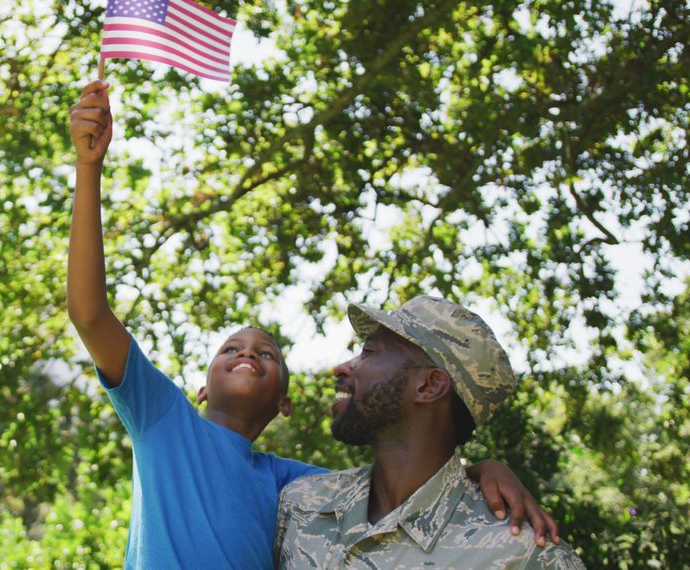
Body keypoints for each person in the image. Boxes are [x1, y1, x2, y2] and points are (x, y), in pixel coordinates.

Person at [67, 79, 558, 568]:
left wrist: (477, 473)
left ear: (285, 403)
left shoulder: (292, 489)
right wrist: (88, 169)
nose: (246, 354)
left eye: (267, 354)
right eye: (230, 350)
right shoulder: (162, 418)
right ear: (198, 390)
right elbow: (89, 313)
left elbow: (406, 485)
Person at [274, 296, 586, 568]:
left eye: (369, 351)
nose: (341, 368)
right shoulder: (301, 505)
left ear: (429, 385)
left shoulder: (525, 554)